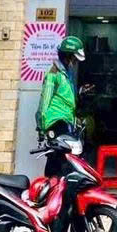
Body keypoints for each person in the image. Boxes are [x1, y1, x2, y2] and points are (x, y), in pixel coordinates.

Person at [36, 35, 85, 175]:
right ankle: (49, 185)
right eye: (74, 59)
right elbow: (44, 102)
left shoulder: (66, 73)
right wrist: (41, 128)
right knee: (56, 161)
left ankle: (56, 185)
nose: (75, 62)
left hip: (65, 121)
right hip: (55, 123)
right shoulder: (53, 74)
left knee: (65, 160)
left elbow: (66, 98)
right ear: (67, 56)